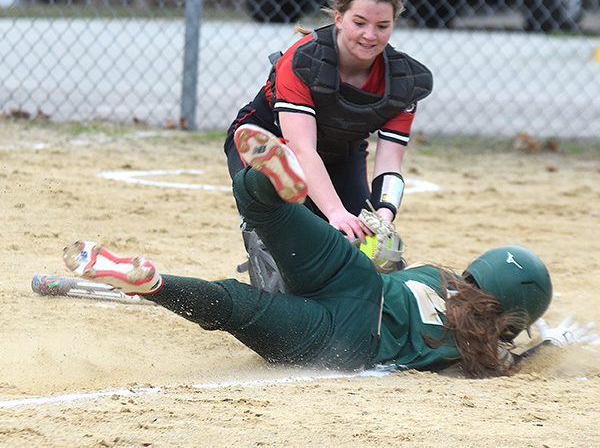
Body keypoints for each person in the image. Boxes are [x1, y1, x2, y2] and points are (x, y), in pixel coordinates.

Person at [64, 126, 596, 376]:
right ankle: (155, 284)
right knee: (233, 306)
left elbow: (389, 267)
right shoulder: (474, 352)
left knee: (266, 212)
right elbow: (522, 353)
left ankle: (272, 181)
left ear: (478, 273)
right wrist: (540, 345)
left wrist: (384, 250)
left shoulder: (437, 279)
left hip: (354, 277)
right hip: (345, 339)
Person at [223, 0, 433, 290]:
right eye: (359, 23)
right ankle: (263, 235)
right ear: (338, 18)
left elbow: (390, 163)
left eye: (382, 26)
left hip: (340, 153)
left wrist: (384, 216)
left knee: (368, 258)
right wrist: (334, 213)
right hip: (270, 142)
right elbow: (302, 147)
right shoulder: (305, 59)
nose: (370, 35)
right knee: (288, 245)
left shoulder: (403, 82)